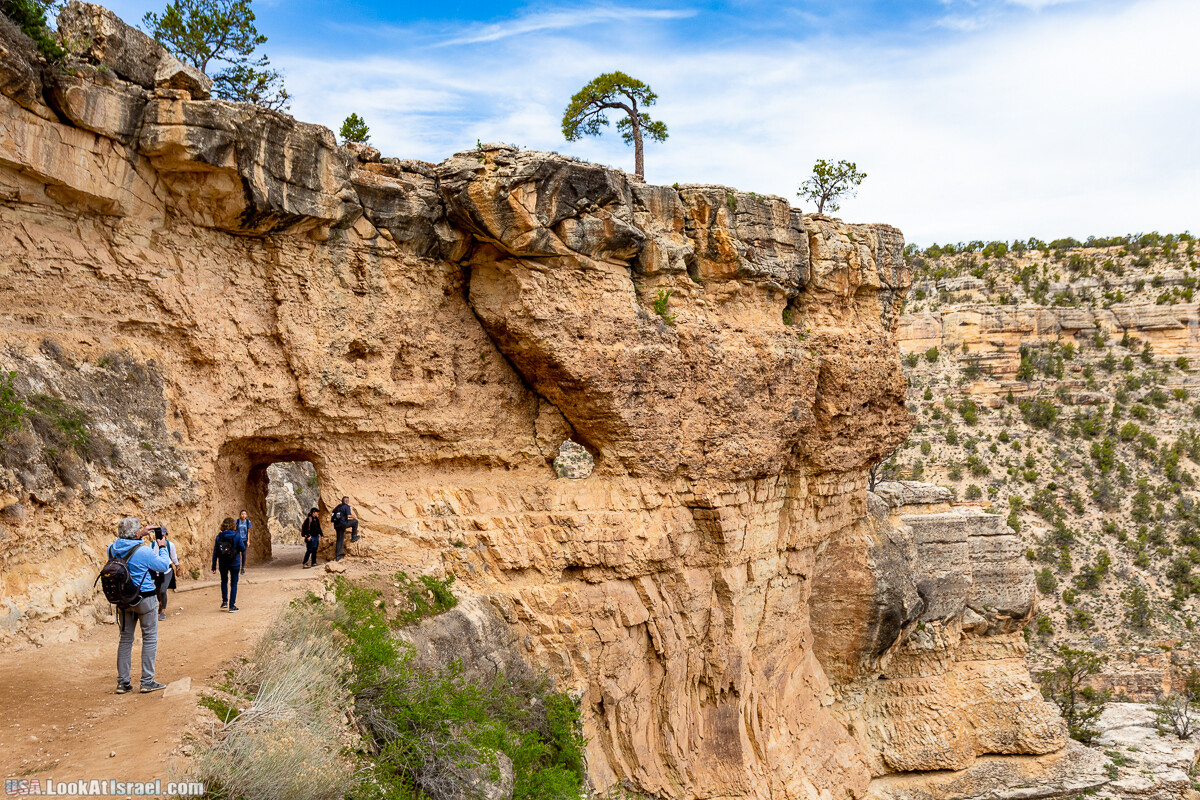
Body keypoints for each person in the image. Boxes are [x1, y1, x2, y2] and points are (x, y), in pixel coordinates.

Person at [110, 516, 172, 694]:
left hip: (124, 600)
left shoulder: (112, 549)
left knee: (126, 639)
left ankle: (123, 682)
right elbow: (163, 566)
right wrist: (162, 547)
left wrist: (140, 534)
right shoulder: (144, 551)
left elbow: (122, 544)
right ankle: (147, 681)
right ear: (136, 533)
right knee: (150, 638)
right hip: (145, 599)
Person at [211, 517, 246, 612]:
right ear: (234, 526)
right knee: (234, 584)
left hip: (223, 563)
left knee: (224, 581)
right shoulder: (237, 536)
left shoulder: (219, 536)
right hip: (235, 563)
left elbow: (215, 552)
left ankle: (225, 601)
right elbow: (243, 549)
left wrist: (213, 566)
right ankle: (232, 606)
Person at [153, 527, 180, 622]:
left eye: (163, 534)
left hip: (167, 570)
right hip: (155, 571)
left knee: (163, 590)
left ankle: (163, 611)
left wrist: (178, 568)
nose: (162, 536)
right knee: (156, 591)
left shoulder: (170, 545)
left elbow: (174, 557)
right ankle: (160, 604)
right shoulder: (152, 545)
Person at [331, 496, 359, 561]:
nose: (348, 501)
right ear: (346, 501)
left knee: (339, 539)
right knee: (355, 522)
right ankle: (354, 536)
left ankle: (338, 555)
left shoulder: (337, 507)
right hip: (343, 524)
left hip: (337, 525)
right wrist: (353, 516)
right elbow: (348, 515)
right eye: (348, 500)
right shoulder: (346, 506)